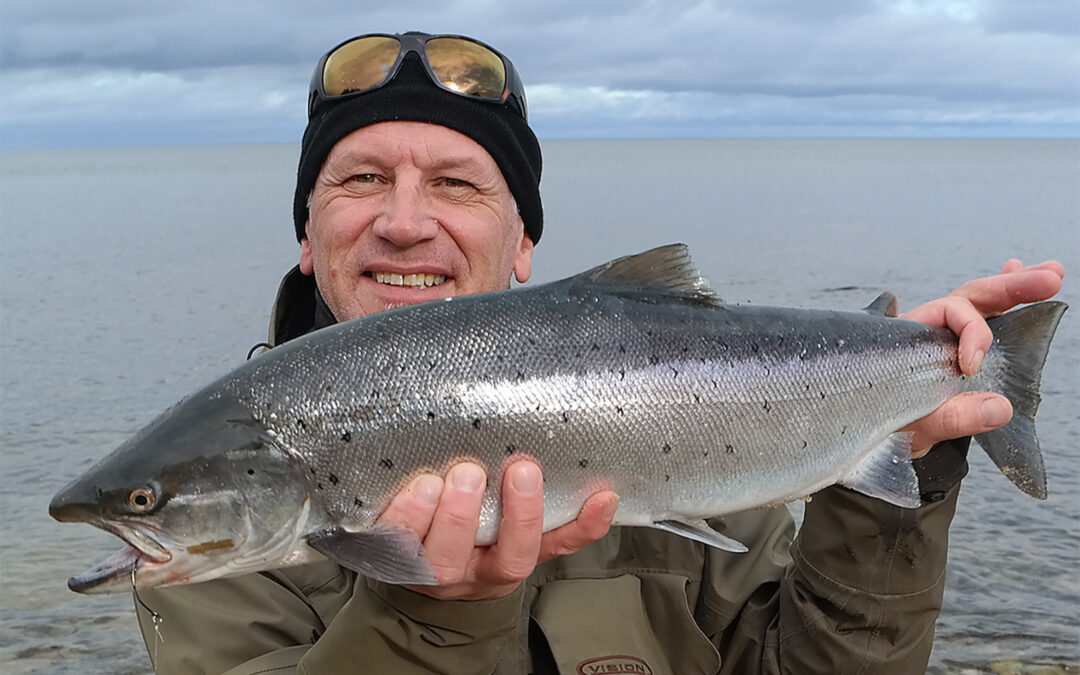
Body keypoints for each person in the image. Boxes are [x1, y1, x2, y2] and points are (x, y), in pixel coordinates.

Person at [134, 31, 1065, 674]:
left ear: (524, 244)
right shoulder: (206, 535)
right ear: (309, 234)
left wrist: (909, 447)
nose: (405, 221)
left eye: (457, 183)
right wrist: (430, 620)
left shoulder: (695, 430)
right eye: (362, 178)